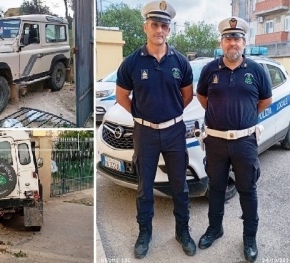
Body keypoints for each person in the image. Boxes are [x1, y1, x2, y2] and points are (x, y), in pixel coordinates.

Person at [115, 0, 195, 259]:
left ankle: (182, 231)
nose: (159, 30)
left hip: (174, 131)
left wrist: (168, 115)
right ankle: (144, 233)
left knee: (180, 187)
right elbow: (121, 96)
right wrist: (142, 116)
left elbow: (187, 96)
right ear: (145, 27)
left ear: (169, 30)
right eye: (154, 24)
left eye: (164, 25)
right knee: (144, 187)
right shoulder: (132, 63)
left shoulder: (181, 62)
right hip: (145, 133)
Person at [196, 17, 272, 262]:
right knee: (216, 189)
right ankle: (214, 229)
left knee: (247, 190)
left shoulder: (256, 71)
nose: (233, 43)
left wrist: (244, 119)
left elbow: (264, 101)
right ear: (221, 42)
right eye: (228, 38)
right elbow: (203, 98)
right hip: (216, 141)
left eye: (237, 38)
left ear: (245, 42)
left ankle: (249, 237)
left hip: (244, 142)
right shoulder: (210, 70)